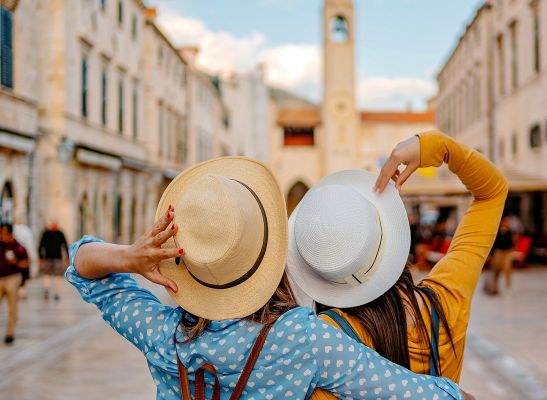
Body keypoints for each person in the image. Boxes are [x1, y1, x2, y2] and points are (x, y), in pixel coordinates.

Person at [67, 157, 468, 400]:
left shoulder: (161, 334)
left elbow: (83, 266)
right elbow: (420, 394)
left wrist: (130, 257)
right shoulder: (302, 339)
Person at [286, 130, 507, 398]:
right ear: (387, 233)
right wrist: (437, 147)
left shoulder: (326, 342)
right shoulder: (446, 299)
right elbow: (492, 192)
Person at [0, 223, 29, 344]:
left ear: (11, 234)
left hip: (13, 277)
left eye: (5, 233)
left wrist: (15, 262)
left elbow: (25, 264)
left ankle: (9, 333)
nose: (3, 236)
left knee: (12, 307)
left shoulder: (19, 247)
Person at [38, 221, 68, 300]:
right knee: (57, 276)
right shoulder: (60, 233)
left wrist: (40, 258)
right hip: (58, 258)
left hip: (47, 258)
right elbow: (65, 245)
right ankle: (56, 293)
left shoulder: (46, 233)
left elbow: (40, 246)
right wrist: (67, 257)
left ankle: (47, 288)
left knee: (47, 275)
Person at [487, 216, 515, 295]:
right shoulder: (497, 232)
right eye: (506, 221)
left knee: (507, 268)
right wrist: (491, 255)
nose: (507, 223)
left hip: (507, 253)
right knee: (496, 269)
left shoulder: (510, 232)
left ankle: (508, 286)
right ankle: (495, 286)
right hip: (498, 252)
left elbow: (512, 243)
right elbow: (494, 244)